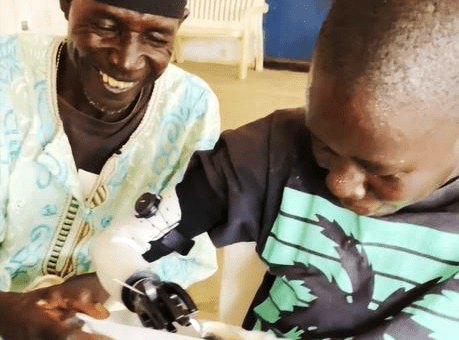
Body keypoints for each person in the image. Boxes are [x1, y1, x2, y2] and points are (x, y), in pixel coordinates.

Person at [122, 0, 459, 338]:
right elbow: (132, 241)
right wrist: (128, 279)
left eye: (383, 173)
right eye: (324, 144)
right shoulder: (276, 151)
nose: (339, 182)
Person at [0, 0, 220, 338]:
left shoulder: (191, 108)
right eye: (105, 27)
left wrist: (110, 280)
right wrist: (10, 312)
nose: (127, 61)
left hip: (109, 318)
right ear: (66, 4)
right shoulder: (6, 74)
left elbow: (184, 240)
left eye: (156, 37)